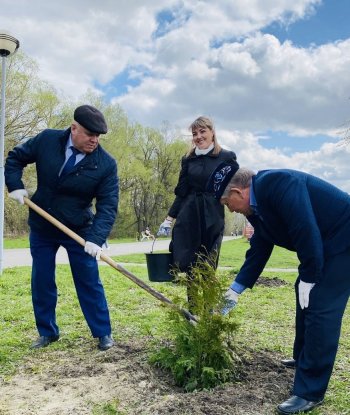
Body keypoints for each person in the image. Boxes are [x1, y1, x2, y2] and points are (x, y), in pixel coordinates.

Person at [206, 163, 350, 414]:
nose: (229, 208)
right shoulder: (255, 209)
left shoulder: (279, 183)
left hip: (345, 236)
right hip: (326, 241)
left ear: (239, 193)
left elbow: (305, 227)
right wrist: (235, 290)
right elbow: (260, 249)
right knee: (304, 292)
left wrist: (310, 274)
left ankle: (309, 392)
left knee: (321, 305)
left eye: (227, 203)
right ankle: (302, 358)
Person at [5, 105, 119, 351]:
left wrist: (96, 238)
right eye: (90, 134)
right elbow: (15, 158)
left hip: (79, 229)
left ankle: (103, 333)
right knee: (42, 279)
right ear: (74, 128)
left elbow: (108, 205)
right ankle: (47, 332)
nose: (94, 140)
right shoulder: (47, 140)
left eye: (98, 136)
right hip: (43, 224)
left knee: (89, 279)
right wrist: (15, 185)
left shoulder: (106, 164)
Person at [159, 116, 238, 310]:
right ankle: (194, 312)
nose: (199, 136)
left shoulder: (226, 157)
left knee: (209, 265)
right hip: (190, 214)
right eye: (195, 133)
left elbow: (233, 187)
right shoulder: (188, 159)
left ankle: (209, 314)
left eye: (202, 131)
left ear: (212, 132)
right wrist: (169, 219)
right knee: (192, 267)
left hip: (213, 215)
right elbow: (182, 191)